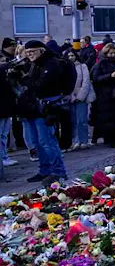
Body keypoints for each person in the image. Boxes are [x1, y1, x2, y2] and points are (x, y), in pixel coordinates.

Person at [14, 40, 68, 183]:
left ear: (41, 50)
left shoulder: (51, 63)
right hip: (32, 107)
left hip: (45, 106)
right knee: (37, 142)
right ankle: (45, 170)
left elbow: (41, 85)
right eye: (28, 52)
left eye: (33, 52)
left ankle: (58, 171)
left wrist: (24, 78)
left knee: (47, 141)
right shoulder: (34, 64)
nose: (30, 55)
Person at [65, 50, 93, 150]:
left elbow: (86, 82)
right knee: (73, 120)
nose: (71, 58)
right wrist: (71, 96)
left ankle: (84, 140)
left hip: (81, 96)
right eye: (68, 56)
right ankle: (76, 140)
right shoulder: (65, 68)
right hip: (70, 97)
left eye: (72, 55)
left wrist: (80, 96)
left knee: (82, 119)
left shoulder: (82, 66)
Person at [0, 38, 17, 173]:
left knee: (4, 133)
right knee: (1, 134)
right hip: (2, 107)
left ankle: (4, 156)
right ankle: (3, 157)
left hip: (6, 106)